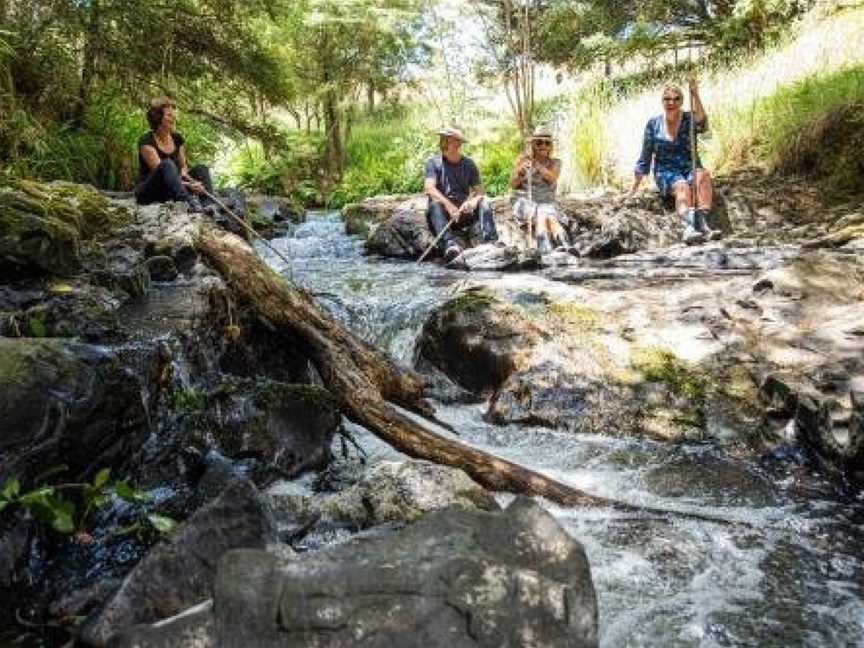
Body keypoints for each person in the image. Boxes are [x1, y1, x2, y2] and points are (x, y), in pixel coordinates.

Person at [626, 79, 719, 244]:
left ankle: (703, 224)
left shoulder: (689, 119)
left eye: (676, 99)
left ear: (682, 101)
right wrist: (633, 189)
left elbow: (703, 124)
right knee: (682, 185)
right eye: (667, 99)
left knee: (703, 176)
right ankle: (689, 227)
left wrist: (695, 94)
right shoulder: (653, 124)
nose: (671, 103)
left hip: (689, 166)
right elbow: (645, 157)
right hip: (666, 171)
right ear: (662, 101)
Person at [424, 127, 498, 263]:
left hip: (463, 211)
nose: (443, 142)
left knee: (484, 201)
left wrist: (472, 202)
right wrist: (449, 206)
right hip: (444, 214)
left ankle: (491, 241)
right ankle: (449, 245)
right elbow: (429, 188)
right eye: (443, 139)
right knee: (434, 205)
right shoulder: (433, 163)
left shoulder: (469, 164)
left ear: (458, 143)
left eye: (448, 139)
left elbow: (479, 192)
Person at [135, 96, 213, 210]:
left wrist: (192, 180)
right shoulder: (146, 142)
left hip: (174, 187)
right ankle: (187, 201)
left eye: (173, 114)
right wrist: (190, 186)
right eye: (169, 115)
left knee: (201, 168)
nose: (174, 118)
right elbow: (163, 175)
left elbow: (183, 168)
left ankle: (209, 205)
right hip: (151, 191)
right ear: (158, 118)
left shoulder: (177, 138)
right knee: (167, 164)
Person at [509, 126, 569, 253]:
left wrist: (537, 164)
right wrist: (520, 172)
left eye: (547, 143)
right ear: (533, 144)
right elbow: (513, 185)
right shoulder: (522, 160)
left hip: (546, 203)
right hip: (526, 202)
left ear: (551, 146)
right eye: (539, 142)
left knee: (549, 217)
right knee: (543, 215)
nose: (543, 145)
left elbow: (551, 178)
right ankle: (547, 249)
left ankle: (566, 246)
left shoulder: (556, 163)